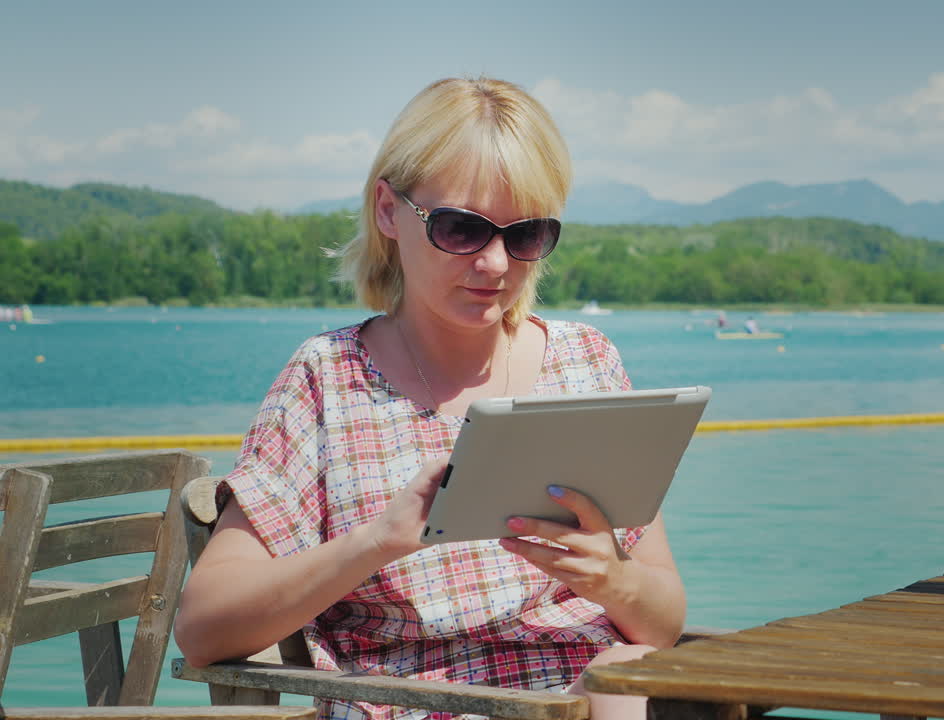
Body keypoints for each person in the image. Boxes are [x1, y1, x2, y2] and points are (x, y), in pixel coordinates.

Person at [174, 77, 686, 720]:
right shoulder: (328, 378)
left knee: (622, 675)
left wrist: (613, 580)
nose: (495, 263)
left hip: (579, 700)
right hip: (406, 705)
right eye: (461, 228)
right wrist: (377, 542)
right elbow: (203, 628)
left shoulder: (586, 363)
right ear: (389, 211)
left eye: (526, 234)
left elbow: (663, 622)